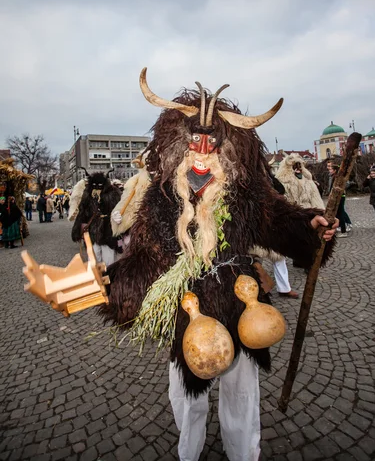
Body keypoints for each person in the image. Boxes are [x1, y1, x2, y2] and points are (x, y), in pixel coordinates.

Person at [26, 70, 337, 461]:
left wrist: (311, 228)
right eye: (195, 143)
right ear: (177, 146)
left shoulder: (245, 196)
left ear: (229, 151)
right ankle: (189, 454)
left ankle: (244, 454)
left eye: (213, 144)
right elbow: (143, 262)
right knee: (187, 399)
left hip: (242, 308)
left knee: (242, 397)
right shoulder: (160, 202)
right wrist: (97, 285)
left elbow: (279, 220)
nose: (203, 153)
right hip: (185, 314)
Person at [70, 170, 121, 267]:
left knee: (109, 259)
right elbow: (82, 212)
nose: (97, 187)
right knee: (94, 258)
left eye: (100, 184)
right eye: (94, 184)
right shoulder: (88, 194)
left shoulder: (113, 193)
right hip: (93, 232)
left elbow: (120, 209)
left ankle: (110, 278)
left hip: (108, 231)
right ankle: (95, 278)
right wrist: (77, 230)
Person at [327, 160, 352, 231]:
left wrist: (338, 191)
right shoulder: (331, 176)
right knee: (338, 211)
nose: (328, 168)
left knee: (341, 212)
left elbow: (345, 184)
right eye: (328, 166)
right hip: (334, 196)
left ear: (334, 170)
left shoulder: (338, 177)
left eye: (329, 167)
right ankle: (341, 225)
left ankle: (345, 226)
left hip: (339, 196)